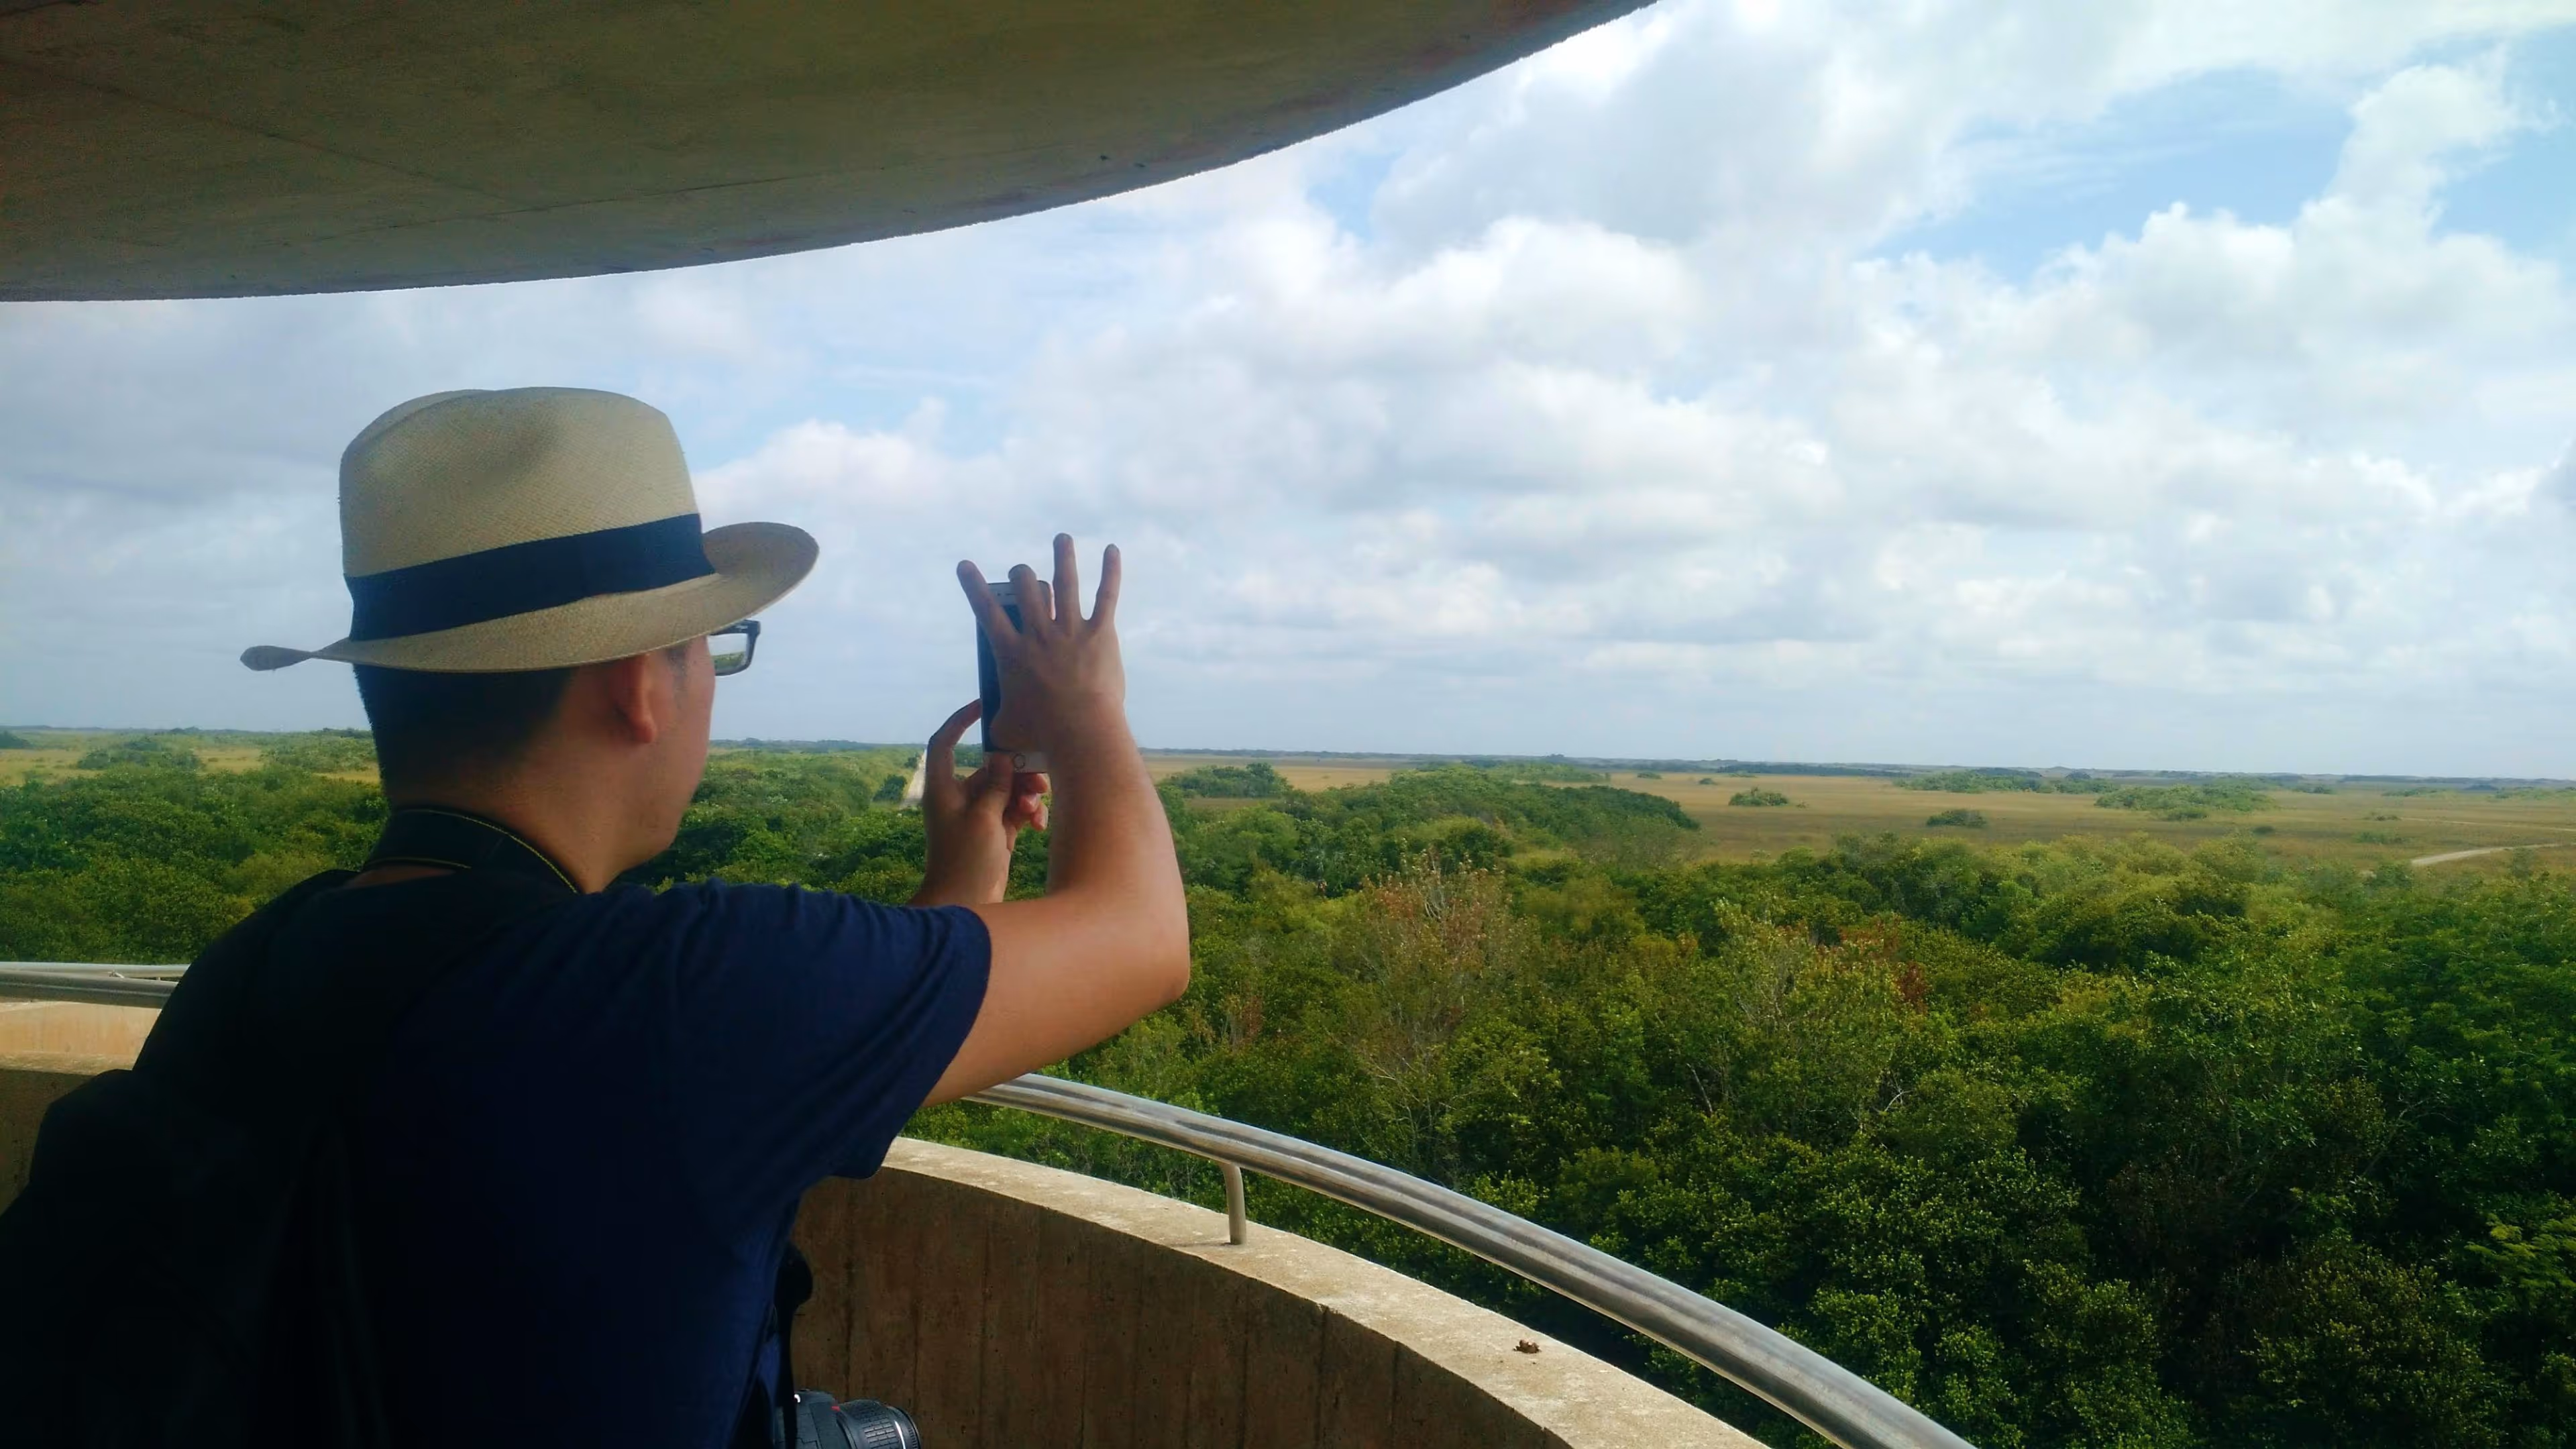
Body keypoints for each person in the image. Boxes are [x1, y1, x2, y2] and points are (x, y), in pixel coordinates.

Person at [237, 387, 1190, 1444]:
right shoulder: (679, 991)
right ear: (638, 688)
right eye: (712, 647)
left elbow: (786, 1073)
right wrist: (1088, 711)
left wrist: (965, 871)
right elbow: (1143, 938)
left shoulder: (264, 968)